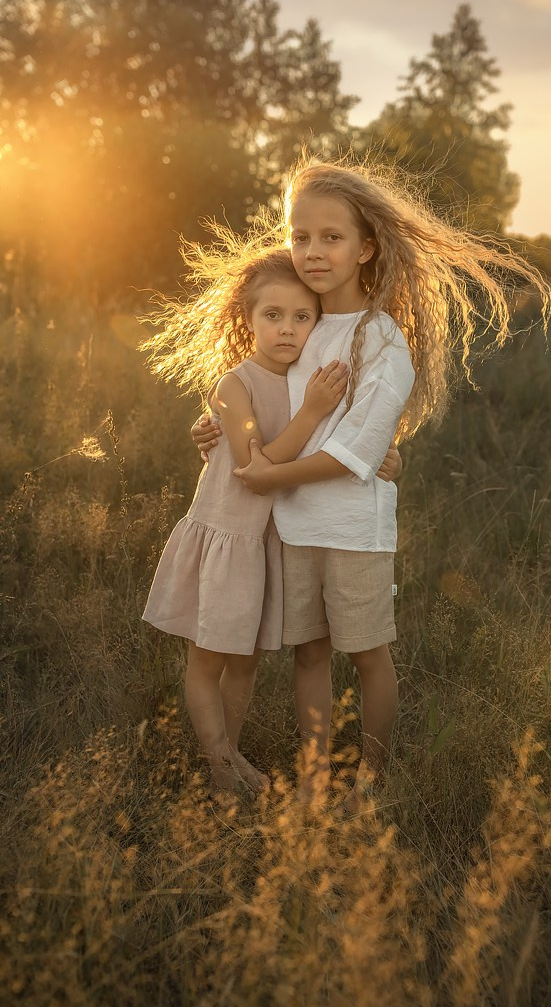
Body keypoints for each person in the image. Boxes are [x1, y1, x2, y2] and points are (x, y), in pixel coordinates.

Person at [192, 155, 551, 813]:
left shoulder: (381, 342)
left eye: (331, 238)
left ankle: (370, 783)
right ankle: (311, 781)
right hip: (293, 526)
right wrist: (217, 429)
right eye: (299, 236)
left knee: (366, 656)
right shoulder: (297, 324)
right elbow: (259, 396)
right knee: (309, 655)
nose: (311, 251)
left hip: (354, 530)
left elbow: (356, 449)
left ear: (365, 248)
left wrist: (269, 472)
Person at [141, 247, 351, 793]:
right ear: (249, 319)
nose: (287, 330)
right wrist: (311, 413)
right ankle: (219, 767)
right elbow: (257, 465)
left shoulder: (312, 378)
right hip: (229, 536)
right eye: (272, 316)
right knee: (209, 660)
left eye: (302, 317)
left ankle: (228, 760)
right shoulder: (234, 385)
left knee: (247, 661)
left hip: (269, 543)